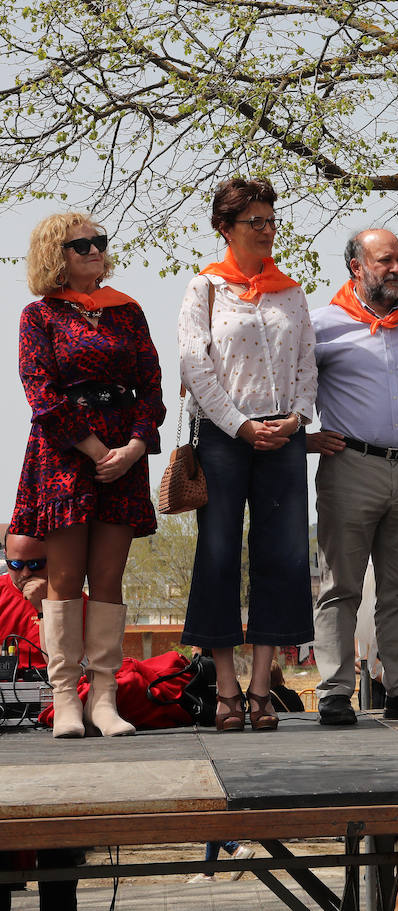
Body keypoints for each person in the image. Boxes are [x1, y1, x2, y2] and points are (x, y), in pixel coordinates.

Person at [13, 211, 164, 738]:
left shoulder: (128, 312)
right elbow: (42, 397)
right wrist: (99, 450)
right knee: (62, 580)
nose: (95, 250)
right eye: (81, 245)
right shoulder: (39, 317)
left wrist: (134, 447)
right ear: (58, 255)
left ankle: (103, 698)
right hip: (65, 456)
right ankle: (65, 699)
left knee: (107, 579)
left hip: (124, 454)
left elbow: (153, 388)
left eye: (99, 241)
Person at [178, 177, 316, 732]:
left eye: (270, 220)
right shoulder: (204, 288)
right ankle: (226, 689)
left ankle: (263, 689)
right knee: (218, 556)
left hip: (284, 437)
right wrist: (239, 426)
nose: (266, 230)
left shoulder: (292, 291)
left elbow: (308, 363)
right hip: (223, 439)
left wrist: (298, 417)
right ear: (225, 229)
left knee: (282, 557)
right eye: (254, 222)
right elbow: (195, 366)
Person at [308, 229, 398, 725]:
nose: (395, 269)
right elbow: (288, 387)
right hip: (350, 467)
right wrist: (302, 438)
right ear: (356, 267)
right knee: (340, 586)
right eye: (384, 260)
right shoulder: (320, 324)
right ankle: (334, 691)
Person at [1, 533, 46, 670]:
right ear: (5, 555)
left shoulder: (71, 600)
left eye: (35, 564)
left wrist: (44, 608)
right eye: (16, 564)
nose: (26, 573)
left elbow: (60, 662)